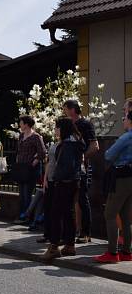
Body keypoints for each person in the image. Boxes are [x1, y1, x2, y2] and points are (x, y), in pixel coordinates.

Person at [42, 118, 83, 260]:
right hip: (74, 181)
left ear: (62, 129)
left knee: (56, 213)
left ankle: (54, 247)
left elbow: (67, 166)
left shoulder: (67, 145)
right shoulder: (77, 141)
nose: (55, 130)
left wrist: (58, 178)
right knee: (68, 212)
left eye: (57, 128)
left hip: (64, 182)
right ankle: (70, 245)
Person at [94, 111, 132, 263]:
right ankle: (127, 251)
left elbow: (108, 155)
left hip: (121, 177)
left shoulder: (126, 137)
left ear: (130, 120)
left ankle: (112, 252)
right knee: (126, 217)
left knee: (110, 213)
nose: (123, 120)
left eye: (124, 118)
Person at [63, 100, 98, 244]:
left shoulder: (85, 124)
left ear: (72, 109)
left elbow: (94, 146)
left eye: (65, 109)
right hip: (67, 168)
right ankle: (69, 232)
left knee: (83, 199)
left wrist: (83, 157)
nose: (64, 111)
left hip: (81, 168)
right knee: (69, 200)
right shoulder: (67, 124)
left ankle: (85, 233)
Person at [13, 115, 46, 223]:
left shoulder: (36, 136)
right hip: (22, 168)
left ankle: (27, 217)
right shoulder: (22, 135)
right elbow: (19, 150)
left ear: (26, 124)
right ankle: (22, 215)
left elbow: (42, 152)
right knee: (21, 194)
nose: (20, 125)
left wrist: (34, 162)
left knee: (27, 193)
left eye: (21, 123)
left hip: (30, 169)